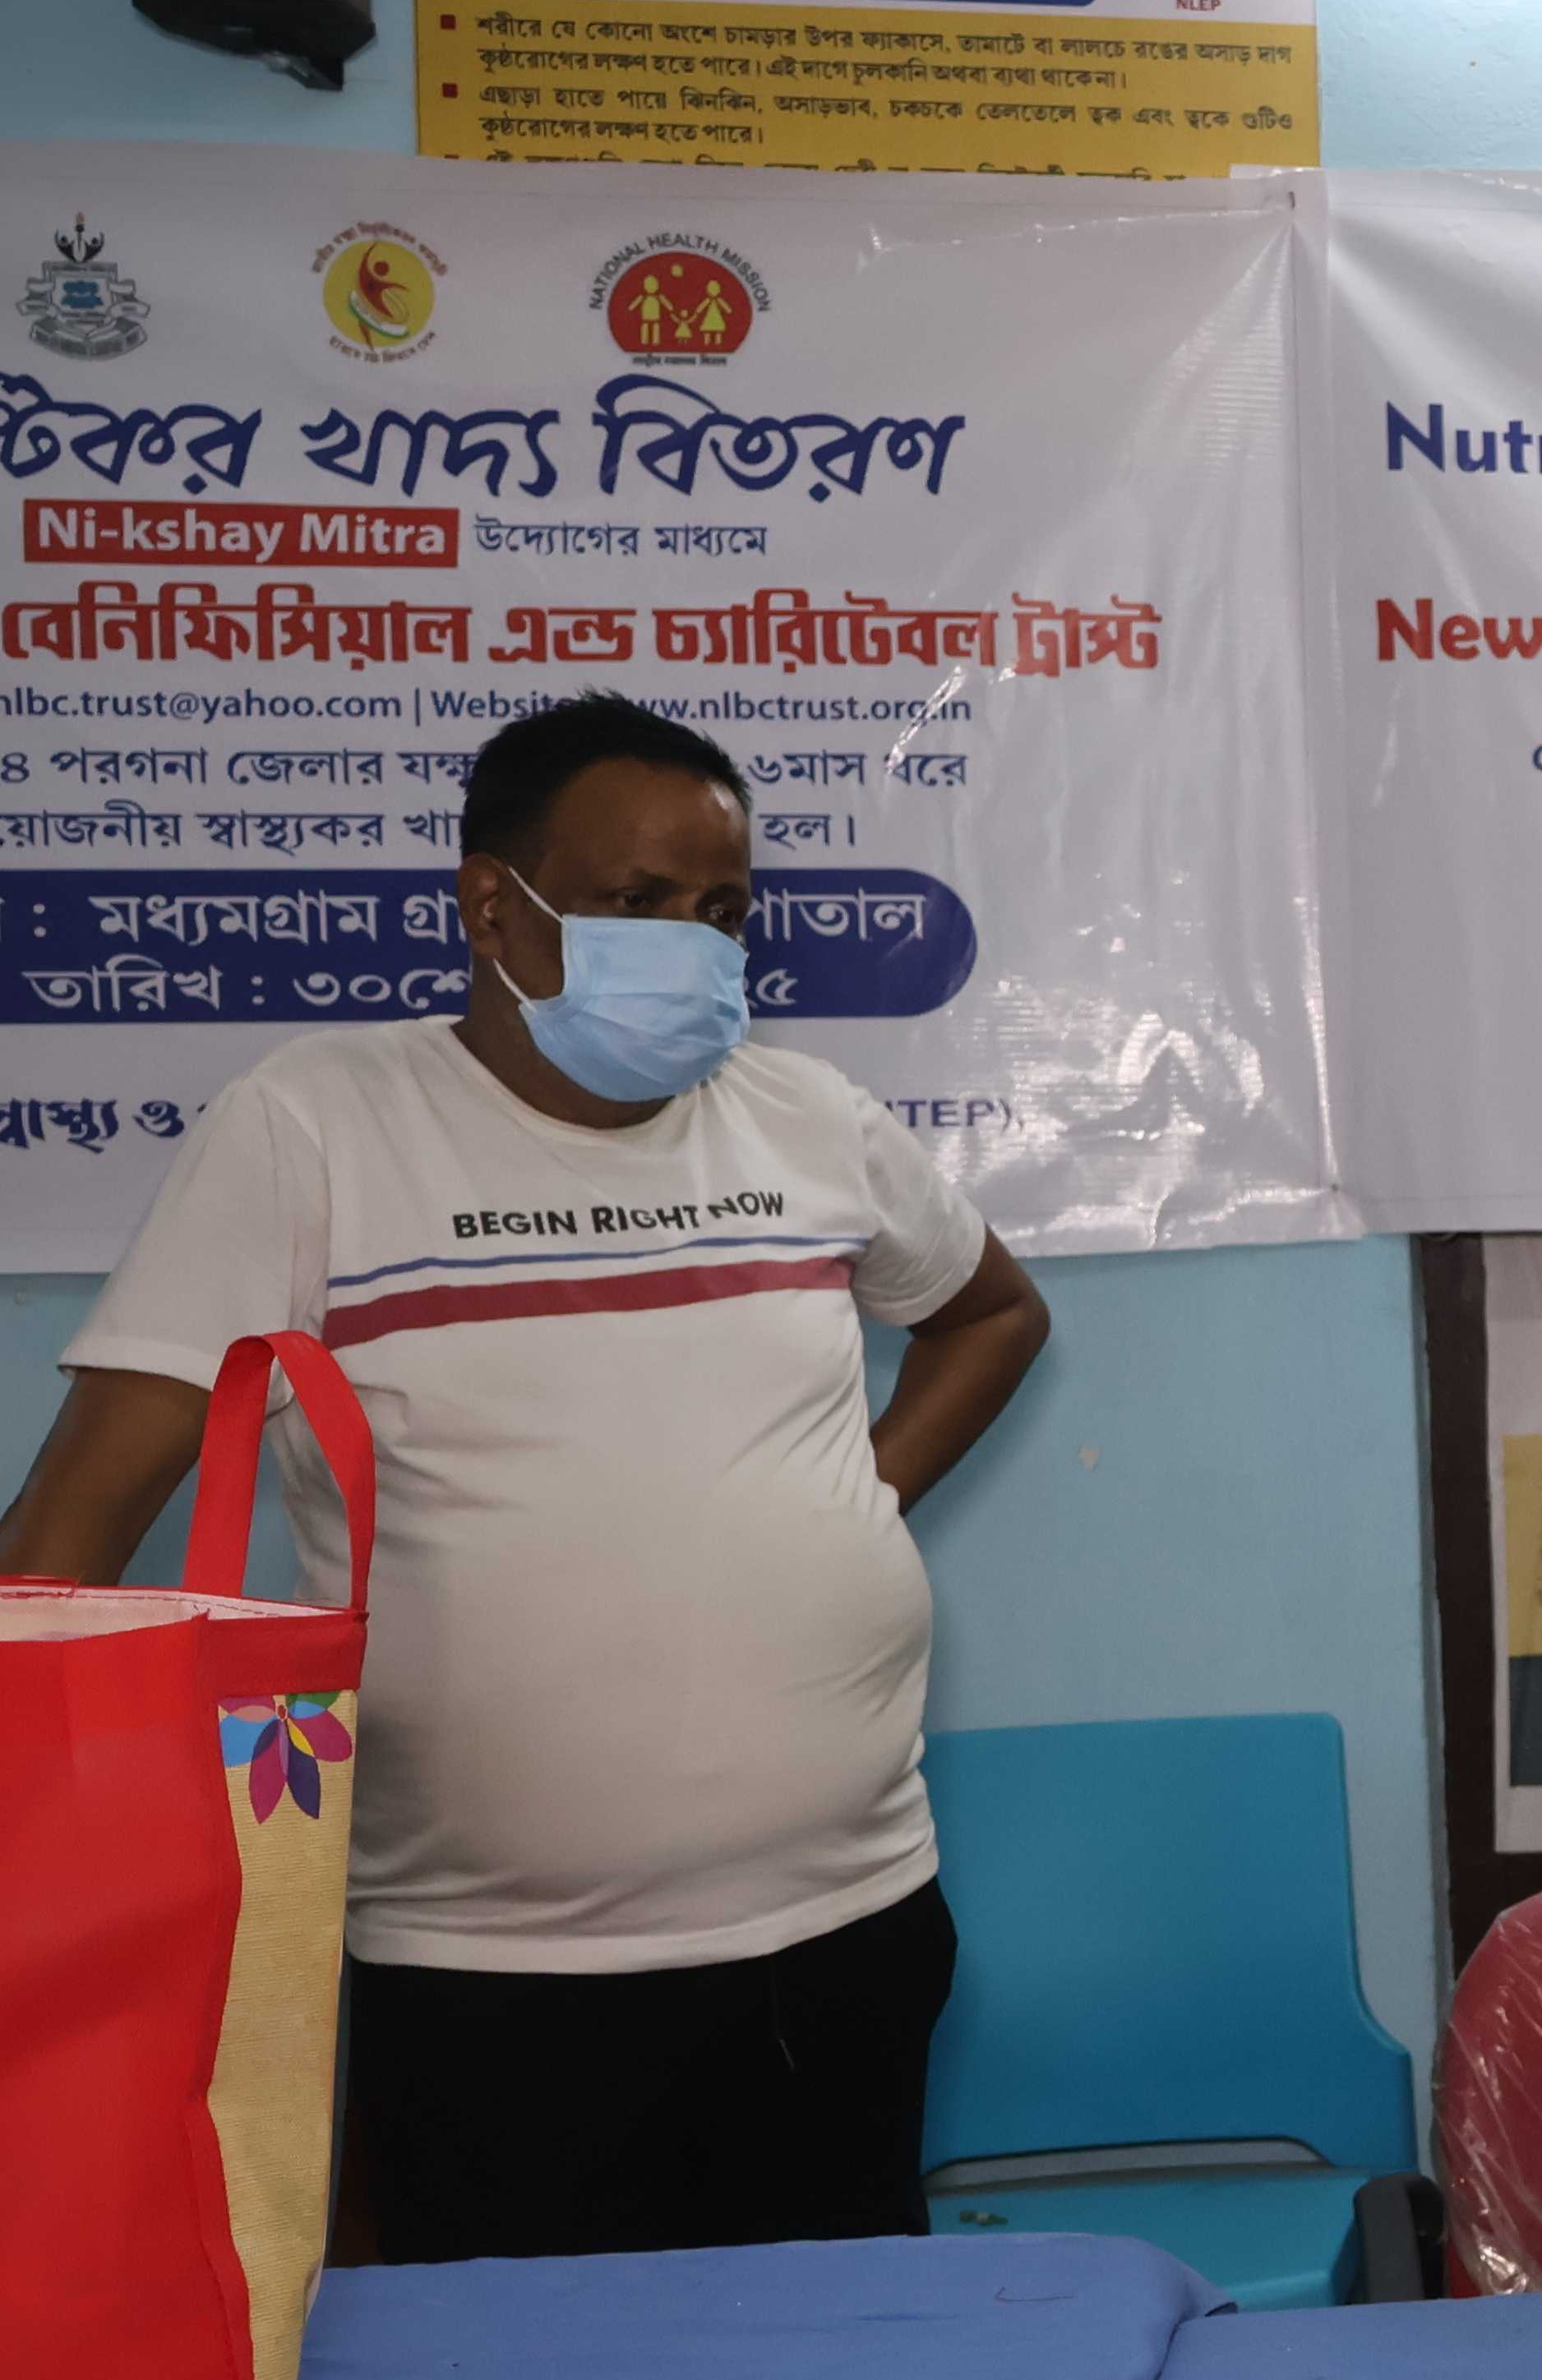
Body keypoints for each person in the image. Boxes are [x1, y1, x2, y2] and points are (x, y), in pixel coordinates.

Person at [0, 693, 1049, 2261]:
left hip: (846, 1932)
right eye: (638, 901)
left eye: (721, 912)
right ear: (493, 906)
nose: (690, 947)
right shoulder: (315, 1126)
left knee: (844, 2371)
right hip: (486, 1978)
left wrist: (847, 1500)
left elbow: (990, 1312)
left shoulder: (807, 1117)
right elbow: (79, 1521)